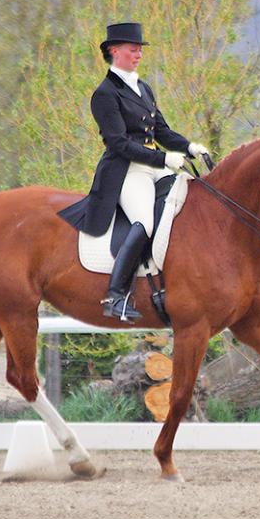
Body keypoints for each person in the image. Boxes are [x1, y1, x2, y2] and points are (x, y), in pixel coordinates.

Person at [59, 22, 208, 322]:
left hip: (153, 165)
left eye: (140, 49)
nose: (138, 53)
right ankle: (115, 296)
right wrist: (164, 159)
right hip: (126, 170)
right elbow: (118, 143)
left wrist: (189, 147)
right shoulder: (104, 94)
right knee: (145, 222)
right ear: (114, 51)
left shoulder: (143, 87)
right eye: (133, 48)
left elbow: (161, 130)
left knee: (189, 204)